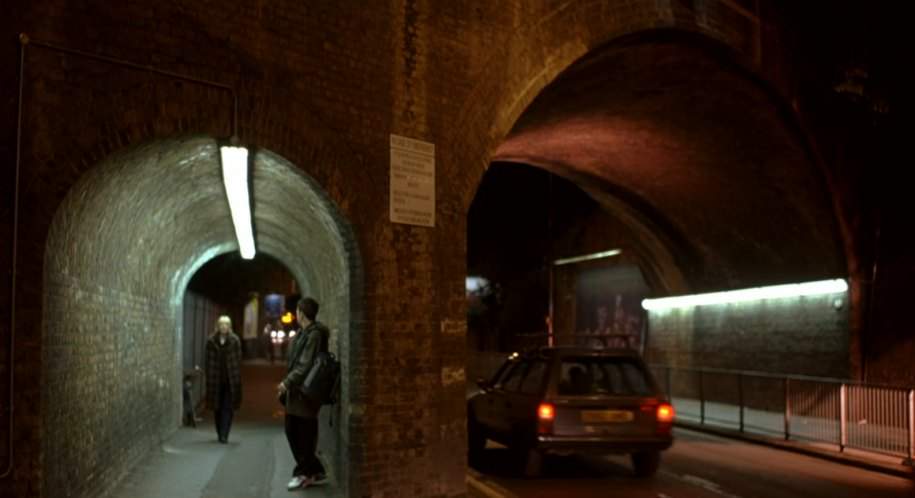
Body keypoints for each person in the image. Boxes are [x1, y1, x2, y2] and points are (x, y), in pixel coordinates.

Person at [278, 297, 330, 490]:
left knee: (302, 434)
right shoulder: (303, 333)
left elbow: (304, 364)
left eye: (298, 311)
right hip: (298, 392)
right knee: (294, 430)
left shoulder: (314, 335)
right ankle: (314, 470)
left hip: (306, 392)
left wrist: (287, 382)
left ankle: (303, 473)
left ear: (302, 313)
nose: (296, 314)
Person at [205, 315, 242, 443]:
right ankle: (219, 431)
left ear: (229, 326)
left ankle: (224, 434)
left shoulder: (235, 341)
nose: (224, 326)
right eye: (221, 324)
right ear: (217, 326)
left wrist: (237, 377)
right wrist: (209, 376)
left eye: (226, 324)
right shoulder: (211, 341)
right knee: (217, 407)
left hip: (230, 380)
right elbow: (208, 361)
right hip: (215, 380)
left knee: (228, 407)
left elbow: (238, 360)